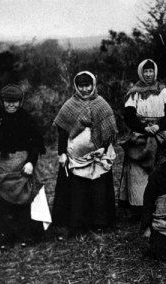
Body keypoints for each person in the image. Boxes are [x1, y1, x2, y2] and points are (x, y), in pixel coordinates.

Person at [52, 71, 118, 238]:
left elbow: (109, 130)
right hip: (76, 157)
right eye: (81, 86)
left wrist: (103, 148)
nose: (84, 89)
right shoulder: (69, 105)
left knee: (98, 190)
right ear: (76, 86)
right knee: (77, 191)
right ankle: (77, 224)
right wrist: (62, 153)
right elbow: (62, 131)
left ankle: (100, 223)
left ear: (93, 85)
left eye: (87, 85)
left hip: (98, 155)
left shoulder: (102, 104)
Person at [0, 84, 46, 249]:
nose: (11, 105)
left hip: (22, 166)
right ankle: (0, 239)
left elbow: (36, 143)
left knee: (25, 199)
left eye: (15, 101)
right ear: (2, 101)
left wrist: (31, 161)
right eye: (8, 101)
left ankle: (27, 236)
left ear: (20, 101)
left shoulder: (26, 118)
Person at [119, 59, 166, 220]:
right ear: (141, 73)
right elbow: (128, 116)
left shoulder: (162, 90)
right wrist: (144, 128)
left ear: (155, 72)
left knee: (163, 166)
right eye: (146, 71)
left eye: (151, 71)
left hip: (160, 132)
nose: (149, 74)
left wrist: (159, 126)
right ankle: (139, 206)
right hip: (141, 135)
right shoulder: (134, 92)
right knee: (138, 171)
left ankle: (162, 203)